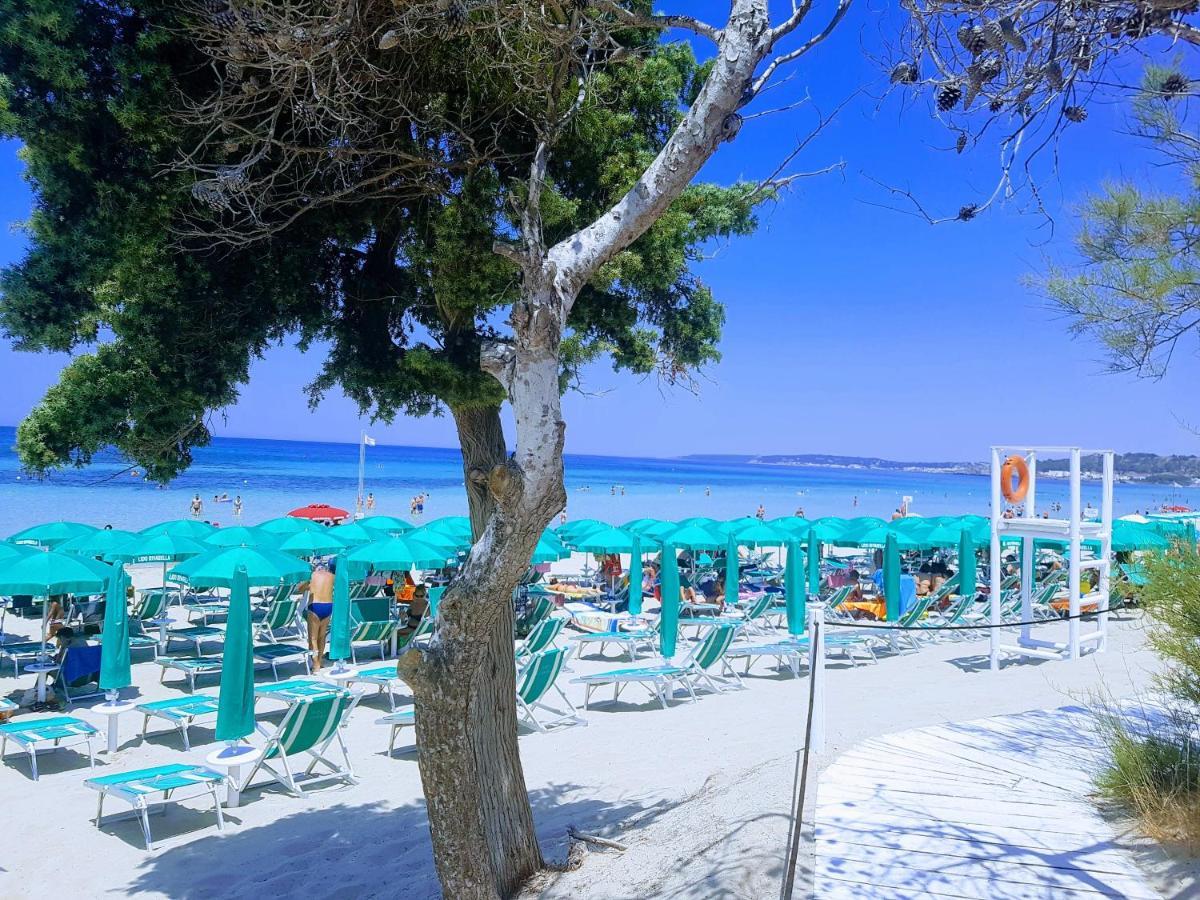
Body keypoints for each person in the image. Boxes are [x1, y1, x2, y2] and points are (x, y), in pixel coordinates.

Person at [306, 559, 335, 671]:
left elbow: (300, 589)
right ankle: (320, 661)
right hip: (328, 606)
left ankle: (316, 665)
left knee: (312, 638)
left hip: (315, 606)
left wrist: (306, 583)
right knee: (322, 636)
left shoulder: (312, 576)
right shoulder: (331, 576)